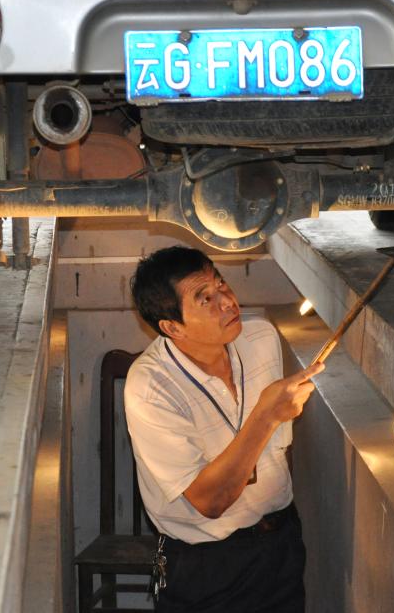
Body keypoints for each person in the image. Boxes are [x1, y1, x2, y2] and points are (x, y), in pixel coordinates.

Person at [125, 245, 323, 613]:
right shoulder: (150, 387)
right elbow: (210, 502)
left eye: (221, 284)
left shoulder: (260, 337)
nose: (228, 302)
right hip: (207, 565)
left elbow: (280, 452)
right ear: (172, 327)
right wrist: (266, 415)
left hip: (279, 544)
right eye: (205, 299)